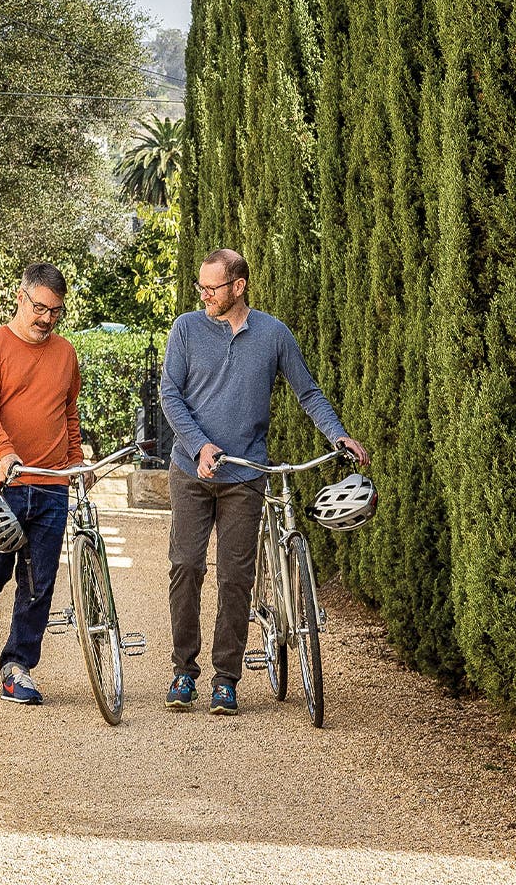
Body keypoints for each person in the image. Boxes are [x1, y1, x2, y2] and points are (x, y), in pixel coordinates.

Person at [157, 247, 368, 716]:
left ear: (239, 286)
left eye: (213, 287)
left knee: (237, 578)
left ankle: (225, 679)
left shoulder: (273, 334)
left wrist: (338, 434)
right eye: (201, 287)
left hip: (246, 474)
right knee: (186, 566)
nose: (204, 295)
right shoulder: (186, 329)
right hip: (191, 471)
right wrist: (200, 446)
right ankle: (183, 672)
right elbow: (170, 394)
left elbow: (307, 391)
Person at [0, 262, 85, 706]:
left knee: (38, 583)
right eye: (40, 307)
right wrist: (4, 451)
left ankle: (18, 666)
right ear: (20, 297)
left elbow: (68, 414)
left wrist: (77, 463)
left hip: (51, 484)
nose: (46, 318)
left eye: (56, 311)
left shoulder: (66, 354)